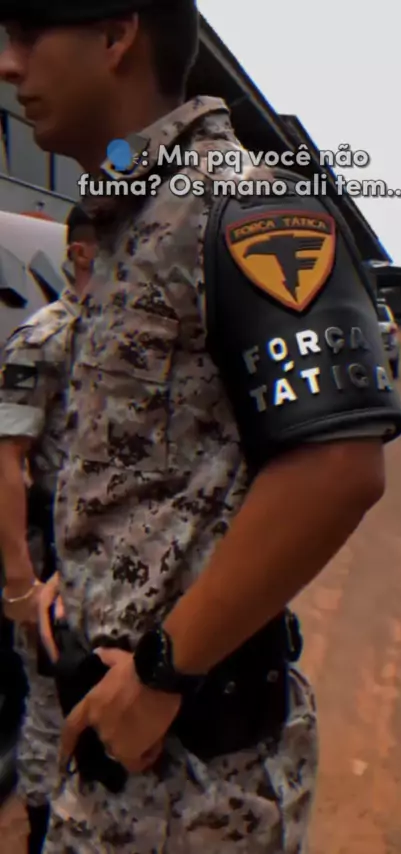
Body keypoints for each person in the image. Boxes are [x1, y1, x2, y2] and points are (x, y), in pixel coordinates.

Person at [0, 2, 401, 852]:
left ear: (116, 36)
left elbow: (336, 466)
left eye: (29, 34)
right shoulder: (128, 221)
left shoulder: (244, 202)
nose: (8, 64)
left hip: (194, 790)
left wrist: (161, 670)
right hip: (108, 756)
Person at [0, 204, 96, 853]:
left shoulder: (117, 332)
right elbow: (6, 457)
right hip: (55, 557)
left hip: (106, 557)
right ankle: (39, 830)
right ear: (83, 253)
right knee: (47, 712)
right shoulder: (46, 336)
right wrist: (20, 581)